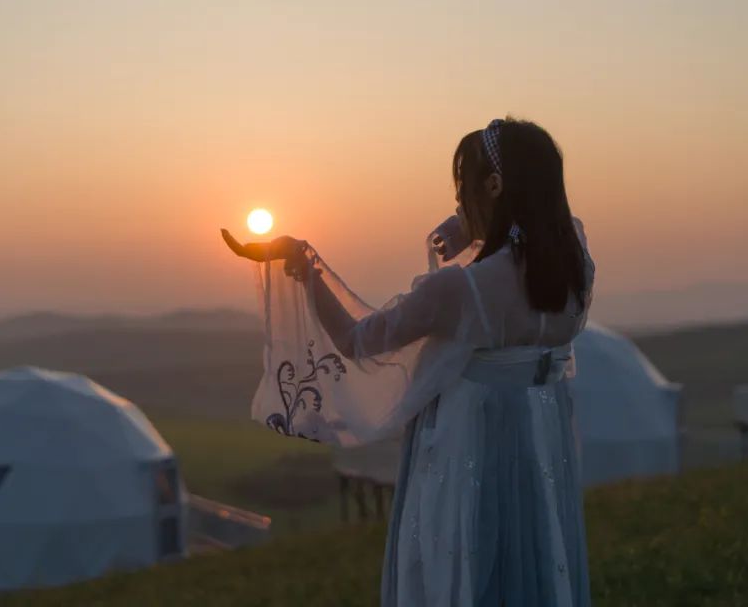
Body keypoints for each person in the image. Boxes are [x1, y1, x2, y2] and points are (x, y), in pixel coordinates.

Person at [223, 117, 596, 606]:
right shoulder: (575, 266)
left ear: (494, 186)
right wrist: (476, 219)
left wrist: (306, 267)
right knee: (534, 556)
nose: (459, 201)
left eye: (463, 188)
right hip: (542, 438)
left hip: (473, 444)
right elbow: (528, 228)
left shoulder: (462, 290)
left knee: (466, 562)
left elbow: (359, 340)